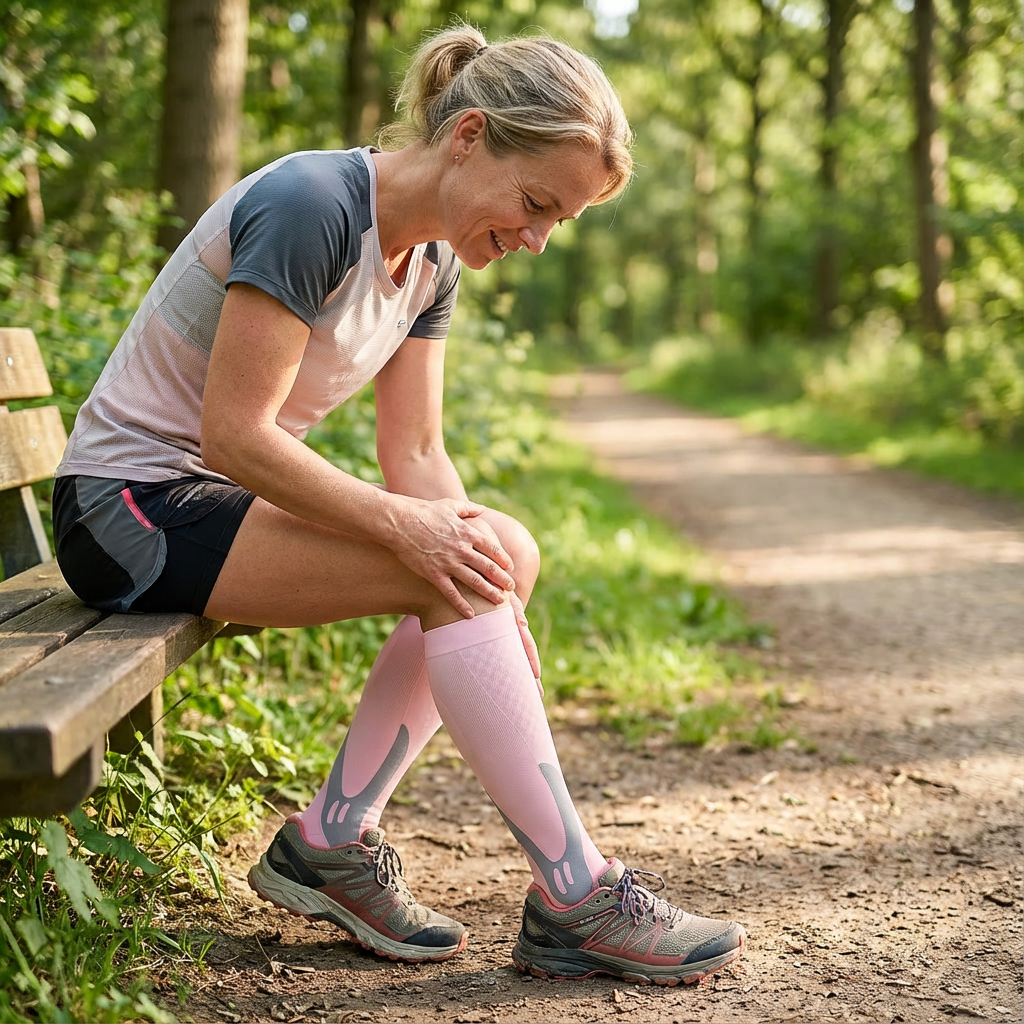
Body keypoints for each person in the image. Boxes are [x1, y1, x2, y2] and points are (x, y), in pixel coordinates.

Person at [52, 25, 746, 984]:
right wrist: (422, 544)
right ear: (467, 136)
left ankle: (333, 841)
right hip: (124, 510)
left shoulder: (434, 260)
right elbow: (236, 438)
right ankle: (578, 896)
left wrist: (493, 592)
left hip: (197, 502)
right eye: (536, 202)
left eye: (559, 223)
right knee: (452, 565)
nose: (537, 238)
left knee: (501, 552)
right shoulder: (313, 204)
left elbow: (416, 451)